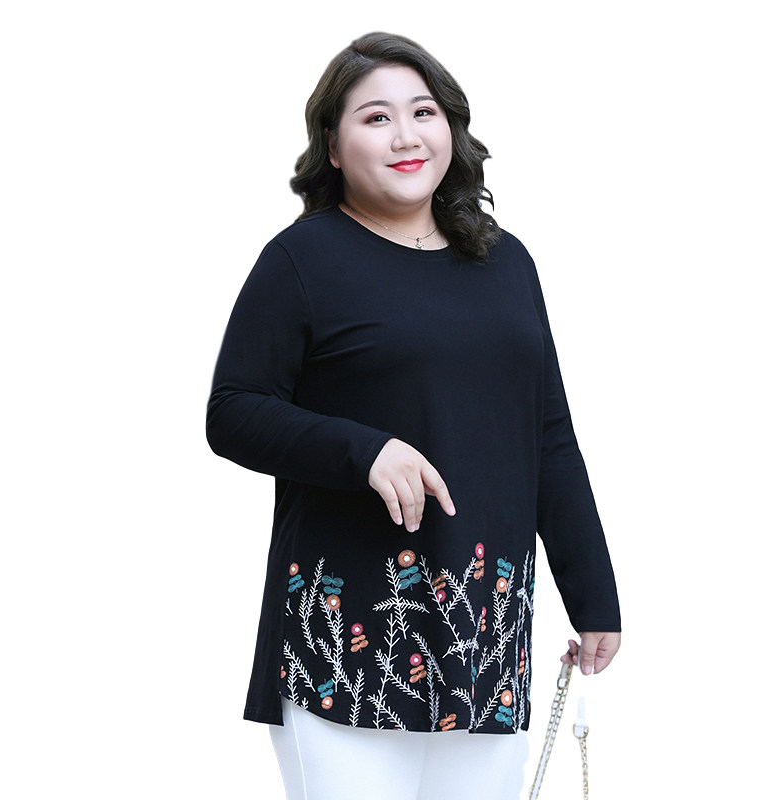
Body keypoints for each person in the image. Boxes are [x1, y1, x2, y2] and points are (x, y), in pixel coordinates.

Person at [206, 31, 621, 800]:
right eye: (376, 118)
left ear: (450, 127)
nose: (406, 136)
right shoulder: (302, 260)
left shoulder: (506, 262)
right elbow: (233, 412)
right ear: (333, 147)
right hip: (347, 635)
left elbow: (548, 436)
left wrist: (592, 594)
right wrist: (364, 451)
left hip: (482, 638)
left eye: (423, 112)